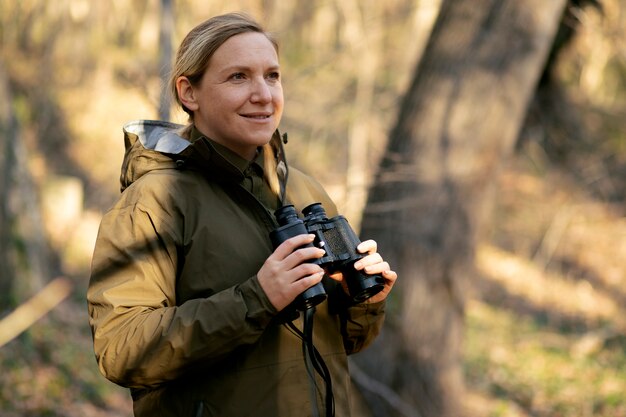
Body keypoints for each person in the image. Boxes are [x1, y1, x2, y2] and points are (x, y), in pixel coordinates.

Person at [87, 12, 397, 417]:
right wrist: (257, 298)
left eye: (272, 76)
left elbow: (343, 342)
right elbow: (121, 348)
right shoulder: (154, 201)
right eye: (238, 77)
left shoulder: (305, 190)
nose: (264, 94)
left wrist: (363, 300)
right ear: (189, 93)